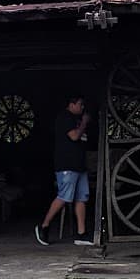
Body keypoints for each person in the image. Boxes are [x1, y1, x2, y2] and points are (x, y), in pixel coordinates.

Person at [35, 94, 94, 246]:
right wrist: (84, 123)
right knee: (64, 196)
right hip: (67, 165)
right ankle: (44, 226)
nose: (82, 108)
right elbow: (74, 136)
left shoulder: (75, 119)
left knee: (82, 198)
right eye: (80, 104)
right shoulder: (65, 118)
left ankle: (81, 233)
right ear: (71, 104)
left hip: (79, 165)